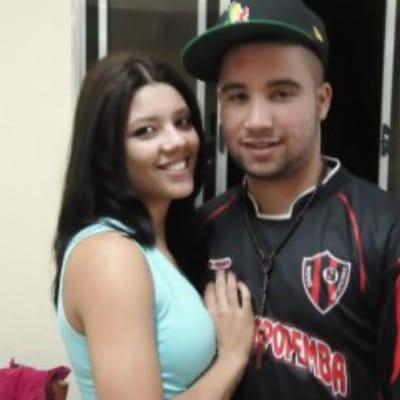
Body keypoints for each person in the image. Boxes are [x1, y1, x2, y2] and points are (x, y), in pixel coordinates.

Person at [182, 0, 400, 399]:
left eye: (281, 93)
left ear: (322, 101)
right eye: (237, 96)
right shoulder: (198, 232)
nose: (257, 121)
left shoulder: (385, 231)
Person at [52, 52, 254, 400]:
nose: (177, 141)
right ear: (106, 153)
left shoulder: (164, 242)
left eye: (183, 122)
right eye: (146, 131)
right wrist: (232, 359)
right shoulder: (110, 255)